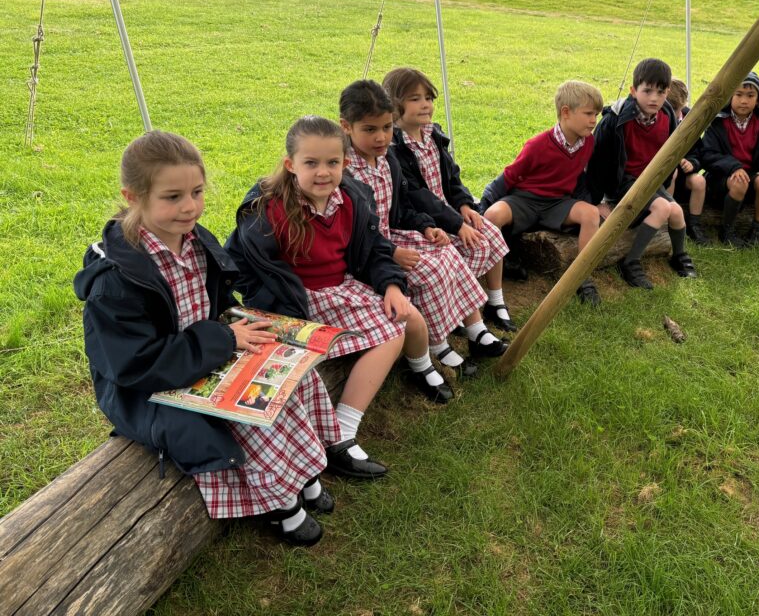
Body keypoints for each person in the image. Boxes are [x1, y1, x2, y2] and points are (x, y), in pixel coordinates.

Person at [75, 130, 340, 547]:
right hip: (152, 386)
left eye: (197, 192)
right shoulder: (115, 281)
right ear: (133, 197)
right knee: (254, 418)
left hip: (205, 354)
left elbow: (215, 303)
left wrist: (244, 326)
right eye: (173, 196)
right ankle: (281, 506)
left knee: (295, 381)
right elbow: (136, 365)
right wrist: (222, 339)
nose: (190, 207)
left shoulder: (195, 240)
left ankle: (305, 473)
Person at [224, 115, 444, 487]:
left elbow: (373, 249)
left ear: (345, 162)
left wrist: (390, 285)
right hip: (298, 298)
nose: (323, 172)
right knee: (394, 329)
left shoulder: (352, 198)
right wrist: (271, 306)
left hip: (343, 286)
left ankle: (420, 366)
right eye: (311, 163)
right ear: (290, 164)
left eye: (333, 162)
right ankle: (341, 433)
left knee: (408, 316)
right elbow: (241, 263)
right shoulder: (268, 209)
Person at [340, 79, 508, 374]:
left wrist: (427, 227)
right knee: (430, 270)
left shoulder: (386, 160)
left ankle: (475, 328)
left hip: (392, 236)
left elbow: (401, 206)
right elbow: (355, 231)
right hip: (368, 252)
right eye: (369, 130)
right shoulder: (344, 170)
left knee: (447, 255)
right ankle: (436, 343)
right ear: (346, 127)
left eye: (386, 128)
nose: (381, 137)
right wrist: (392, 251)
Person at [383, 67, 516, 329]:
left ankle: (495, 299)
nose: (425, 105)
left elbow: (451, 176)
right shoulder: (396, 148)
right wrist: (456, 224)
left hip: (449, 212)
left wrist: (464, 204)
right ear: (394, 103)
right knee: (466, 246)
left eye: (429, 98)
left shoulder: (433, 135)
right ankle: (454, 308)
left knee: (490, 233)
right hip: (425, 221)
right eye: (415, 98)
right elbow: (418, 197)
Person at [481, 80, 605, 304]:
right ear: (566, 113)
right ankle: (499, 276)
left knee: (591, 214)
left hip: (558, 203)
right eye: (588, 113)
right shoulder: (537, 144)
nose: (593, 120)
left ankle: (582, 278)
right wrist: (484, 204)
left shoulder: (588, 142)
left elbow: (578, 179)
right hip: (524, 200)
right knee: (492, 216)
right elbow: (509, 176)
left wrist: (589, 203)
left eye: (596, 114)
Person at [587, 58, 697, 289]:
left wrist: (664, 182)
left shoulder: (667, 114)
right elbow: (597, 163)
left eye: (661, 91)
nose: (654, 98)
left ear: (668, 92)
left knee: (676, 211)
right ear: (633, 90)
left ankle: (679, 255)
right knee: (663, 207)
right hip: (623, 182)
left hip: (650, 181)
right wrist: (597, 200)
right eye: (647, 91)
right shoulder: (615, 120)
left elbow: (669, 154)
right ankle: (631, 262)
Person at [700, 70, 759, 247]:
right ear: (730, 96)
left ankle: (757, 230)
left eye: (750, 95)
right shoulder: (718, 122)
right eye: (738, 95)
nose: (744, 100)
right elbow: (708, 155)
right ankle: (727, 230)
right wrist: (733, 167)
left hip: (750, 172)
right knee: (739, 181)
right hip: (721, 176)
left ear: (758, 99)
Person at [666, 77, 710, 246]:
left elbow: (699, 150)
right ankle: (669, 223)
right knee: (672, 172)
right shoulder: (662, 120)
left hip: (686, 174)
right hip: (665, 178)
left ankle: (694, 224)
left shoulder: (688, 119)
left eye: (680, 108)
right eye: (674, 110)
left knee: (699, 181)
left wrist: (693, 163)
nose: (678, 114)